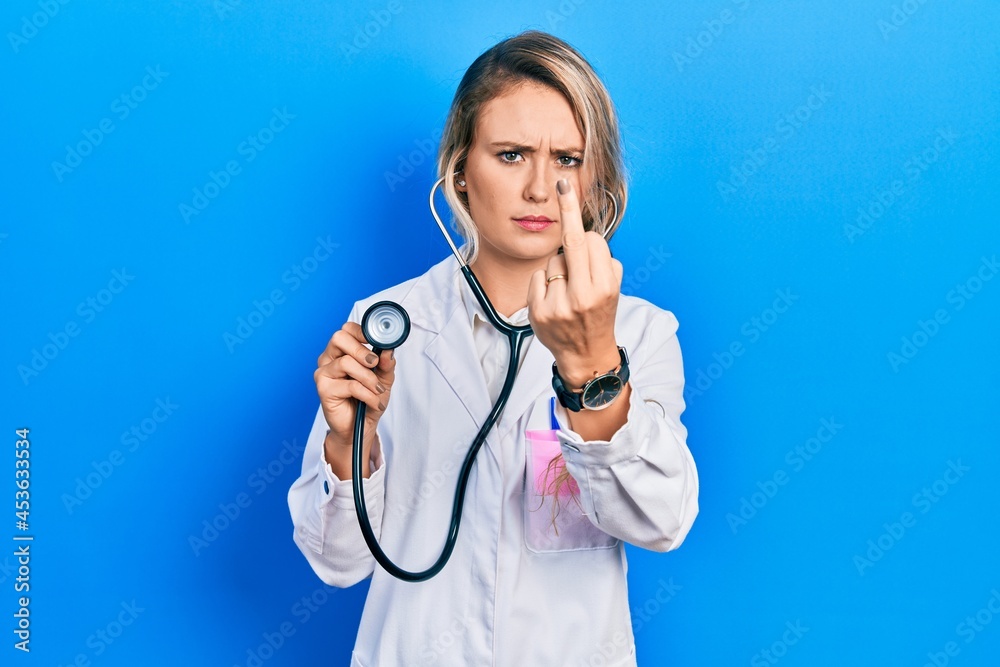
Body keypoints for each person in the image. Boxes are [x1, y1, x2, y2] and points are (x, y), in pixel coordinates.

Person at [287, 29, 698, 667]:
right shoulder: (385, 324)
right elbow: (336, 563)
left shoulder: (639, 334)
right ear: (459, 171)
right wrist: (350, 446)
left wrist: (591, 366)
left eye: (567, 159)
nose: (540, 189)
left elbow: (661, 522)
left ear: (596, 181)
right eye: (510, 155)